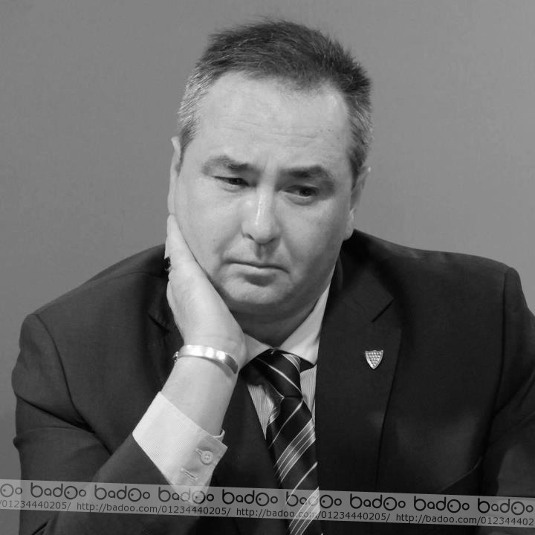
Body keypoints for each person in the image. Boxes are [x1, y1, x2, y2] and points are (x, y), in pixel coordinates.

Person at [12, 19, 535, 535]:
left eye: (302, 191)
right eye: (233, 180)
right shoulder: (72, 355)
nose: (261, 227)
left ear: (353, 199)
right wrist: (208, 363)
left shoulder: (481, 321)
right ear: (176, 174)